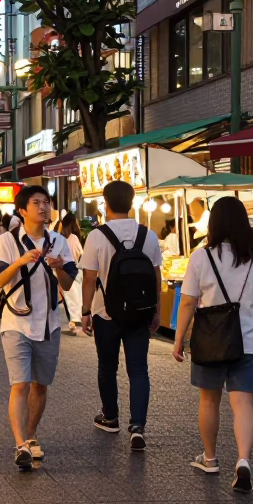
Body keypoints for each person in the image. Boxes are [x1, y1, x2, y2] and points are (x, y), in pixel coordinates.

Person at [172, 196, 253, 493]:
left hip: (210, 340)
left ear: (213, 223)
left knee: (209, 400)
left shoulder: (201, 257)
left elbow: (189, 301)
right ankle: (243, 460)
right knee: (242, 403)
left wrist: (179, 339)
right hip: (249, 340)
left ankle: (210, 458)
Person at [0, 184, 77, 470]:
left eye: (46, 202)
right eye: (37, 202)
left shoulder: (59, 242)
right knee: (20, 384)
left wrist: (59, 267)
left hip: (49, 323)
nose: (43, 207)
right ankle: (20, 445)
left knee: (40, 385)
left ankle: (31, 434)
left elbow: (66, 285)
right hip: (16, 322)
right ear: (22, 210)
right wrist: (20, 260)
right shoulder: (7, 240)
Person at [80, 181, 163, 450]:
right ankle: (137, 425)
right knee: (138, 369)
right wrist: (156, 311)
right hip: (139, 313)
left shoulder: (96, 236)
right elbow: (156, 276)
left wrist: (84, 311)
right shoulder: (147, 235)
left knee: (107, 367)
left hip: (106, 314)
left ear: (105, 203)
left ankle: (111, 417)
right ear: (132, 202)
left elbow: (89, 278)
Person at [58, 212, 86, 335]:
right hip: (74, 271)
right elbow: (81, 254)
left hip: (63, 272)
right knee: (76, 299)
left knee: (69, 299)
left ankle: (73, 324)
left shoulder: (59, 238)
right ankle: (76, 324)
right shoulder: (73, 238)